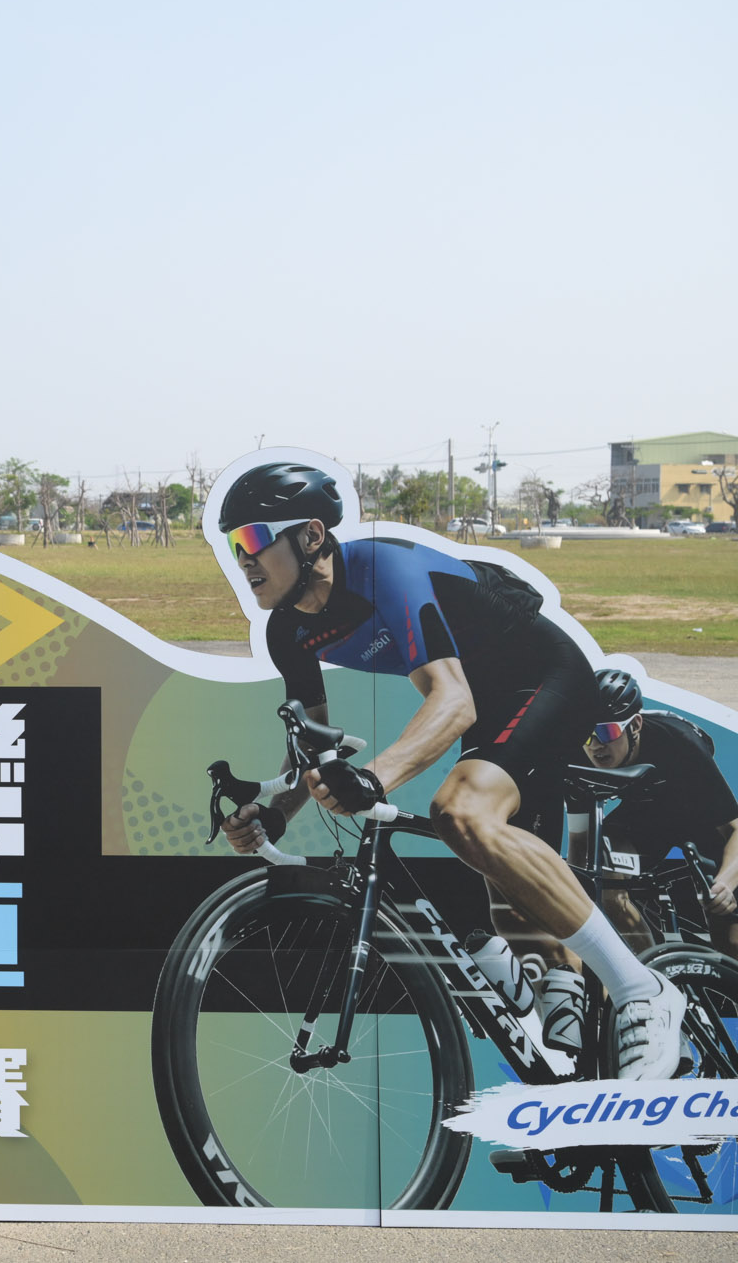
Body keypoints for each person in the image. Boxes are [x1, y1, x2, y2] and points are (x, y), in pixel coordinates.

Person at [213, 462, 685, 1080]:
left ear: (311, 535)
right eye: (233, 545)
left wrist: (374, 778)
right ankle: (546, 985)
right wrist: (274, 814)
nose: (243, 560)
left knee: (460, 809)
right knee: (472, 838)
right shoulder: (288, 630)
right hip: (490, 701)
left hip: (547, 676)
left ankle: (641, 989)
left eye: (253, 539)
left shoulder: (384, 570)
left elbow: (453, 701)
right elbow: (312, 744)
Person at [584, 668, 738, 959]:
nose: (596, 745)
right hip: (643, 815)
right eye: (587, 734)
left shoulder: (679, 743)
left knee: (730, 940)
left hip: (697, 817)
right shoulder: (580, 745)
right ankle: (651, 975)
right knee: (606, 877)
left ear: (635, 725)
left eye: (607, 732)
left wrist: (725, 886)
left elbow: (734, 829)